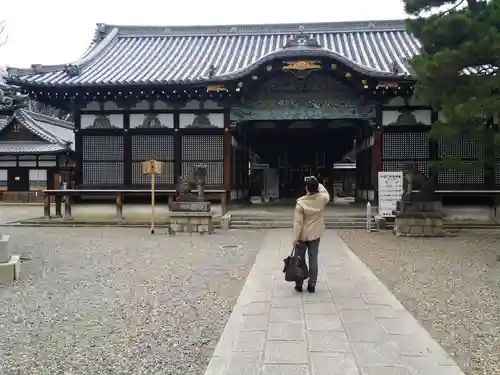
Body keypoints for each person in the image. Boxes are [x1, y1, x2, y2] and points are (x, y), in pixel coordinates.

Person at [292, 176, 330, 293]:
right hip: (315, 234)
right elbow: (325, 192)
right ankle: (312, 284)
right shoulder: (322, 199)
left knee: (300, 260)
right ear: (317, 188)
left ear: (306, 188)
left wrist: (295, 238)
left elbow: (298, 223)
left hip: (302, 236)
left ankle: (299, 284)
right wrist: (318, 183)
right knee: (313, 259)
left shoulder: (300, 203)